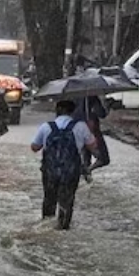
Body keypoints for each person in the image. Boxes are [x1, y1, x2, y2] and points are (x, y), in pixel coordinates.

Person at [31, 99, 99, 231]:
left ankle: (46, 227)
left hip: (50, 171)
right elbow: (93, 146)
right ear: (72, 112)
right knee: (67, 201)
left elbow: (34, 147)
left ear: (57, 111)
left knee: (49, 198)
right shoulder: (80, 126)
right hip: (70, 171)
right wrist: (90, 130)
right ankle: (63, 227)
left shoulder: (46, 126)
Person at [78, 95, 110, 176]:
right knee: (104, 159)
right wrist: (107, 106)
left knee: (86, 158)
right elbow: (101, 113)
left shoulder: (75, 97)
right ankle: (87, 170)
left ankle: (85, 176)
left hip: (80, 131)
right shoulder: (92, 96)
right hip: (92, 131)